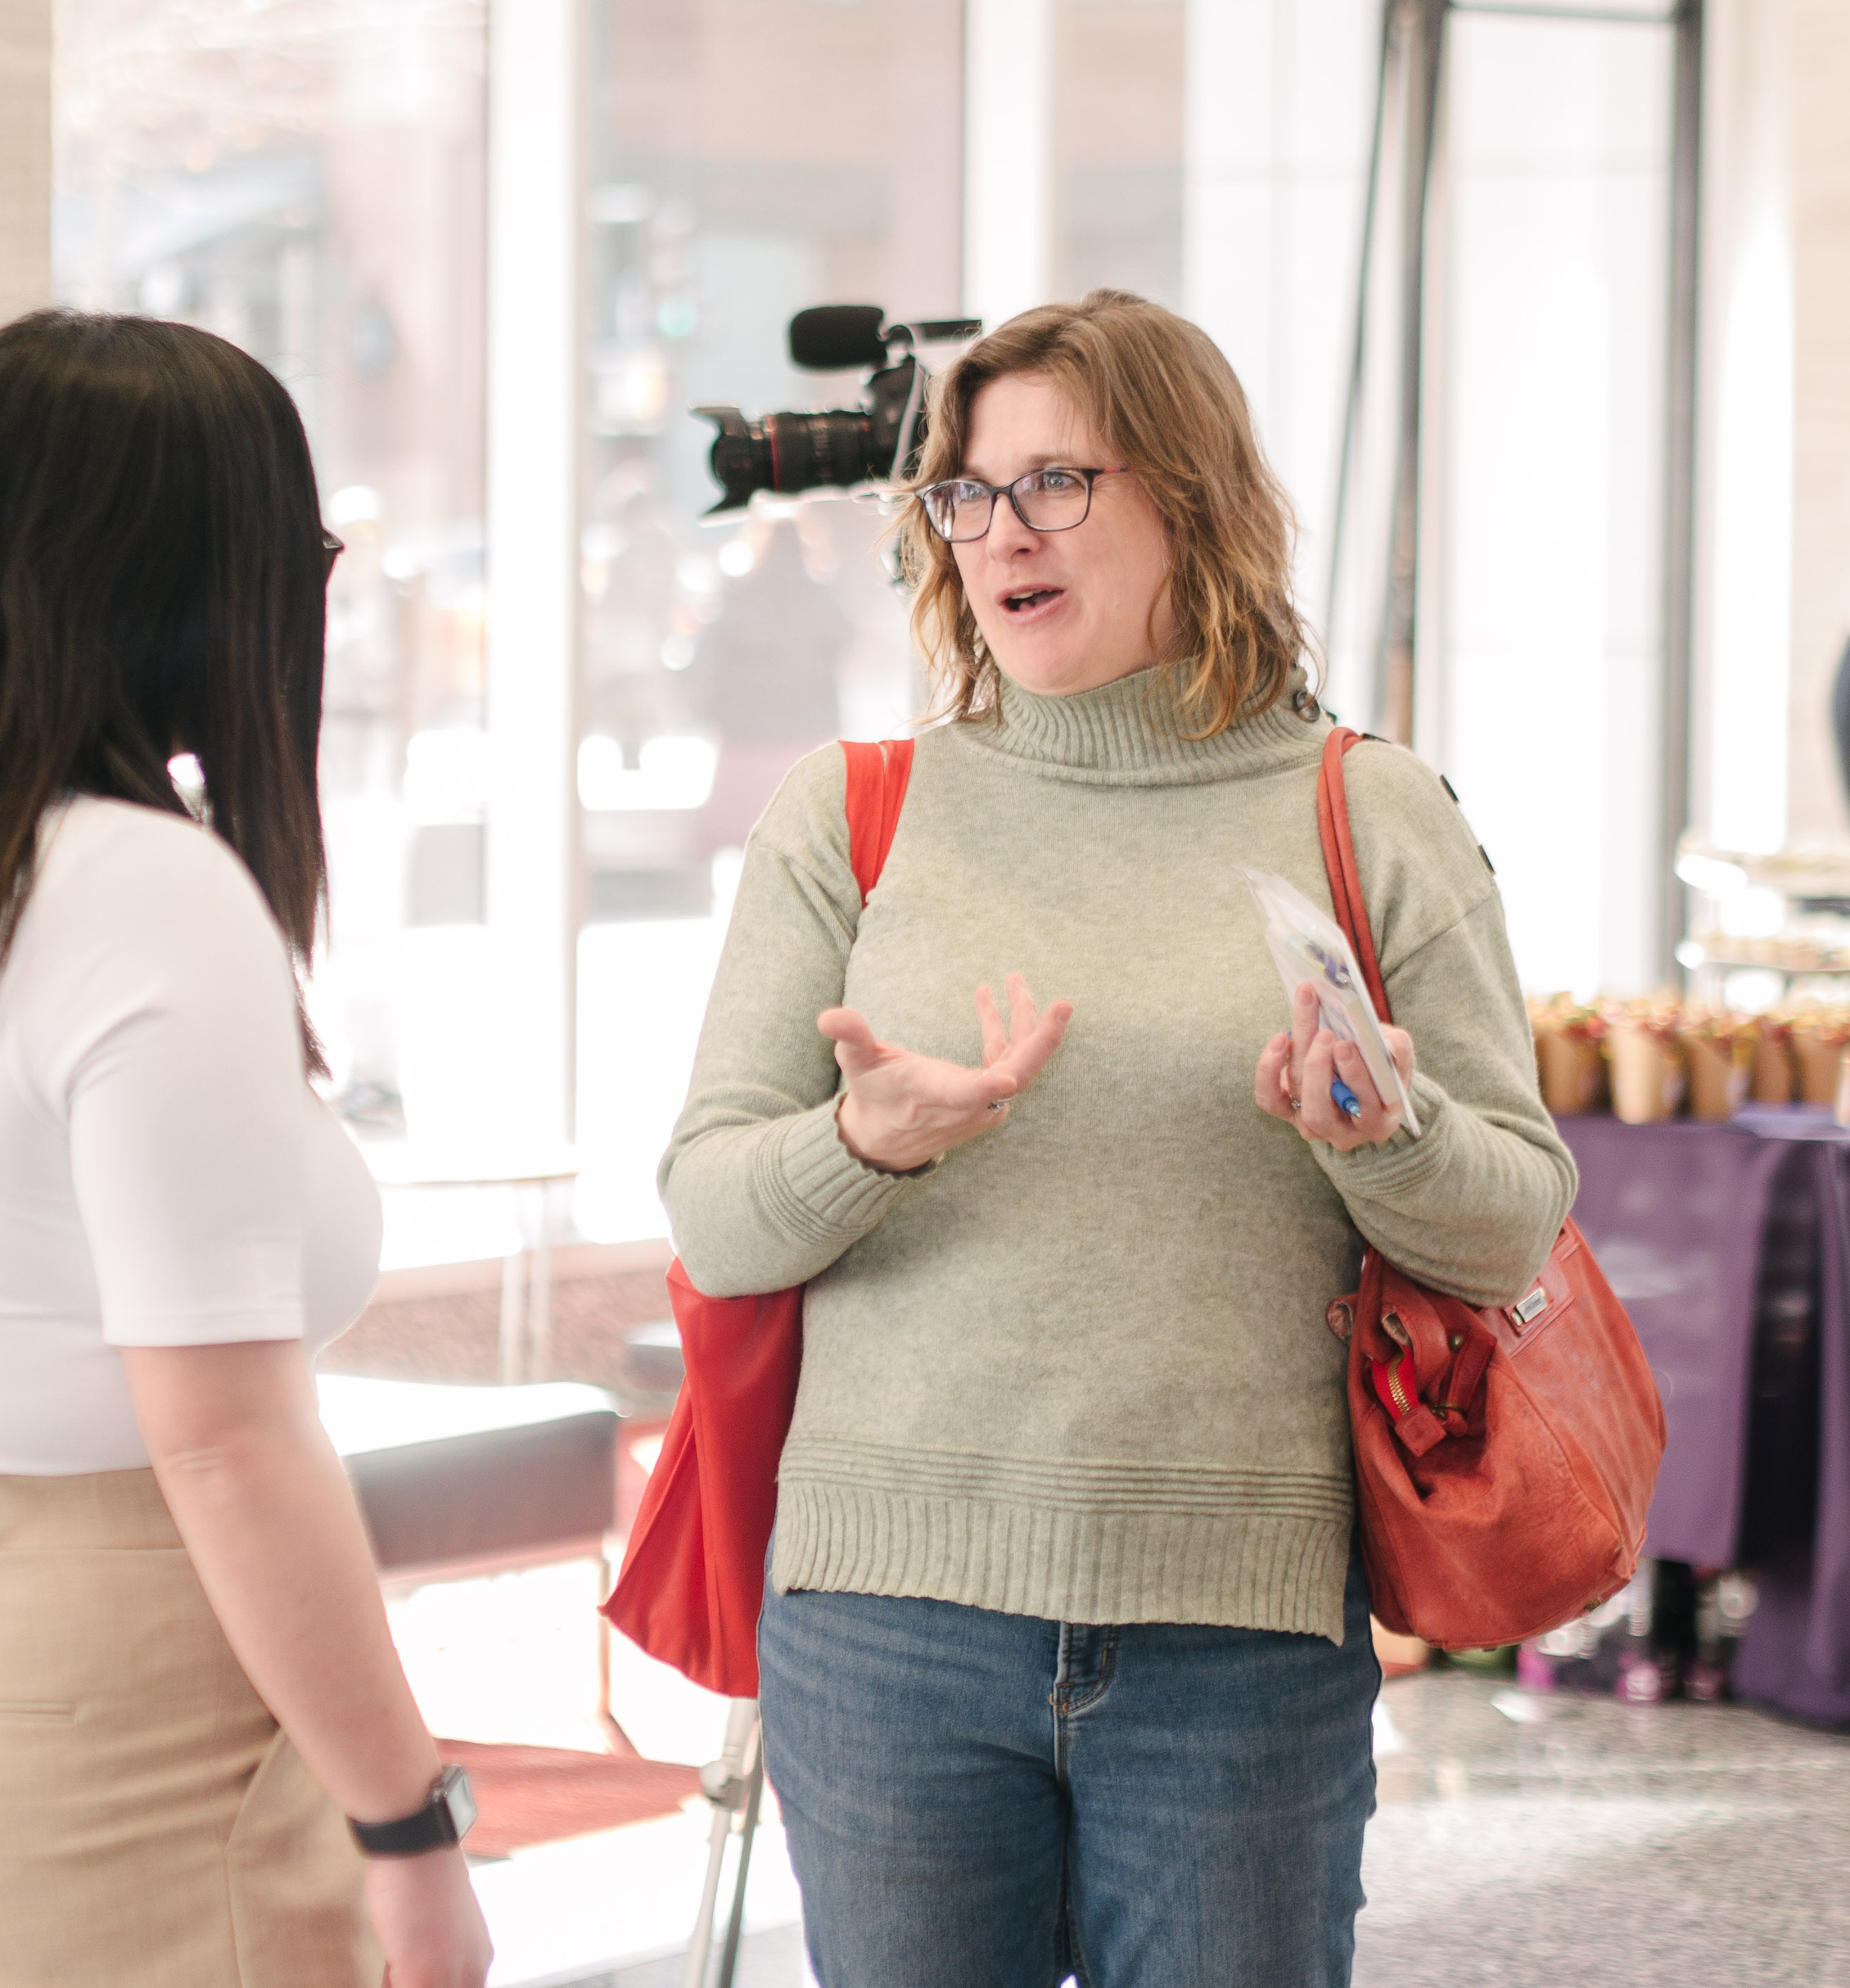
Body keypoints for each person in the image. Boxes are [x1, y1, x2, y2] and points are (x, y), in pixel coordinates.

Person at [659, 290, 1575, 1988]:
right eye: (967, 492)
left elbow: (1513, 1220)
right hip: (886, 1634)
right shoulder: (851, 814)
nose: (1001, 531)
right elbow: (712, 1215)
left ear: (1190, 495)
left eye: (1056, 482)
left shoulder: (1366, 810)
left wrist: (1383, 1137)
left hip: (1236, 1643)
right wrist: (859, 1142)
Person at [0, 313, 492, 1988]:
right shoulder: (141, 890)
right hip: (76, 1715)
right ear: (205, 582)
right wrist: (409, 1828)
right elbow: (223, 1442)